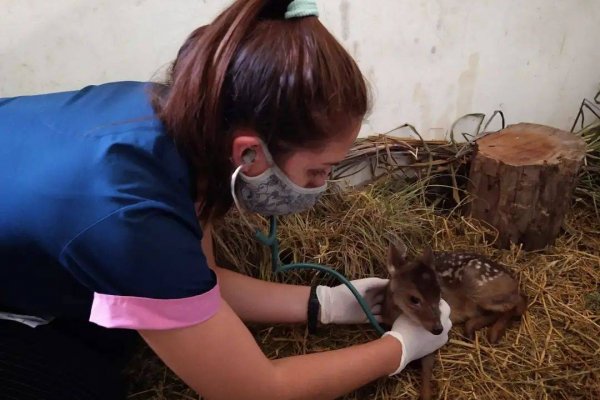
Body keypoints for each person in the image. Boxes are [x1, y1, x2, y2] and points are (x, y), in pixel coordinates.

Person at [0, 0, 452, 399]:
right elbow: (255, 390)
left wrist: (328, 303)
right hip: (64, 248)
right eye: (318, 170)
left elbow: (202, 283)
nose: (321, 186)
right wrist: (398, 349)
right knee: (84, 381)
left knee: (136, 321)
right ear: (249, 153)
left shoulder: (184, 121)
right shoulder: (134, 216)